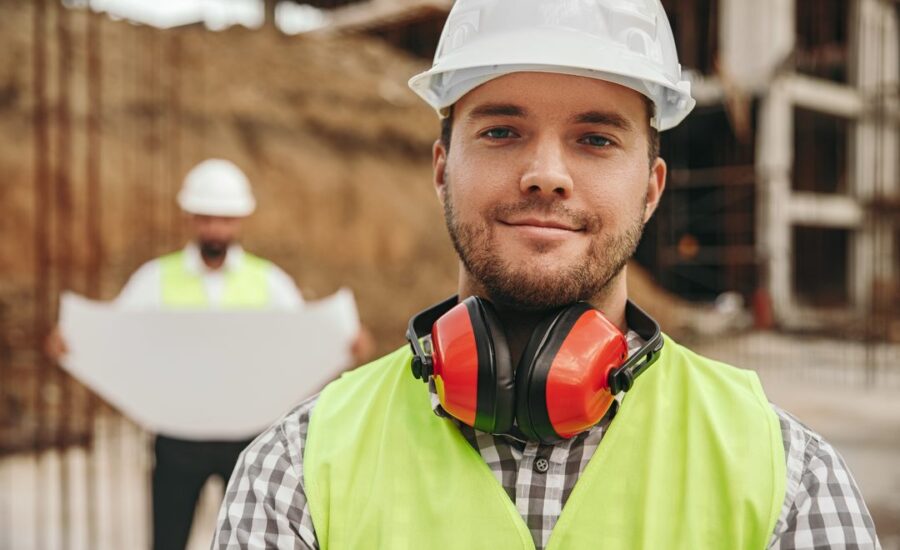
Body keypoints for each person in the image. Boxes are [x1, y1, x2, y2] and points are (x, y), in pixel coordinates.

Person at [212, 2, 881, 549]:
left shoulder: (788, 479)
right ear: (442, 166)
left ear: (650, 191)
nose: (546, 175)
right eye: (502, 132)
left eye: (595, 139)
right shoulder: (298, 468)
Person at [46, 158, 372, 550]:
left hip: (250, 440)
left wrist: (345, 343)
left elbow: (302, 339)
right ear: (190, 217)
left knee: (249, 540)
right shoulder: (155, 279)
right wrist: (74, 343)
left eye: (224, 219)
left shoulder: (268, 283)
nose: (215, 228)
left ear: (239, 220)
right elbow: (117, 337)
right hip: (176, 438)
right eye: (206, 217)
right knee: (168, 540)